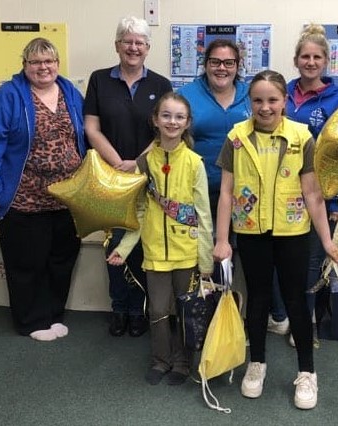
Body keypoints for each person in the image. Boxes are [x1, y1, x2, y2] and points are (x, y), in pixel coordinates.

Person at [213, 70, 338, 409]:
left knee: (296, 301)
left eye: (273, 100)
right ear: (249, 102)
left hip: (292, 233)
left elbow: (313, 194)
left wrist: (327, 241)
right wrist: (222, 239)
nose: (265, 107)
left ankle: (307, 372)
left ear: (285, 101)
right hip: (251, 232)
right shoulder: (236, 137)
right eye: (258, 100)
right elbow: (226, 193)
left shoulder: (303, 136)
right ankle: (257, 363)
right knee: (256, 299)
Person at [0, 38, 87, 341]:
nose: (43, 67)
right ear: (24, 65)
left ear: (57, 64)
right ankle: (30, 321)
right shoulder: (8, 96)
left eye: (48, 61)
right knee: (27, 263)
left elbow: (85, 137)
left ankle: (52, 315)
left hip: (66, 200)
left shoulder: (70, 93)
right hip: (24, 200)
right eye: (35, 61)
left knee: (61, 260)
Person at [107, 92, 213, 386]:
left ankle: (182, 362)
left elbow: (203, 214)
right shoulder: (145, 162)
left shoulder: (194, 162)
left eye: (179, 117)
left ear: (187, 122)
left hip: (187, 252)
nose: (172, 121)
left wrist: (206, 261)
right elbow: (139, 210)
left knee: (184, 309)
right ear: (155, 120)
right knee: (156, 310)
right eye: (166, 115)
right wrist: (125, 248)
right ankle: (160, 359)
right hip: (155, 252)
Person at [84, 16, 172, 338]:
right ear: (117, 45)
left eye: (140, 42)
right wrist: (118, 162)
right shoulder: (98, 80)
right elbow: (91, 128)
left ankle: (139, 309)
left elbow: (166, 129)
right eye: (127, 41)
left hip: (148, 177)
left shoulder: (161, 85)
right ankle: (119, 307)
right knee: (115, 244)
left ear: (148, 48)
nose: (133, 47)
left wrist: (137, 162)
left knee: (142, 245)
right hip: (109, 178)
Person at [268, 24, 338, 345]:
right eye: (305, 56)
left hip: (319, 195)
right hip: (281, 194)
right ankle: (282, 316)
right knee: (277, 258)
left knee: (311, 263)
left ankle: (305, 322)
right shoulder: (281, 93)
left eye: (317, 56)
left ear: (326, 61)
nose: (311, 61)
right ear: (296, 60)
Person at [177, 39, 251, 219]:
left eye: (229, 63)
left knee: (240, 244)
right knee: (202, 243)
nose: (222, 68)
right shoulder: (186, 95)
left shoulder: (251, 94)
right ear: (206, 64)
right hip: (198, 188)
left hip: (245, 191)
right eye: (215, 62)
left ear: (238, 65)